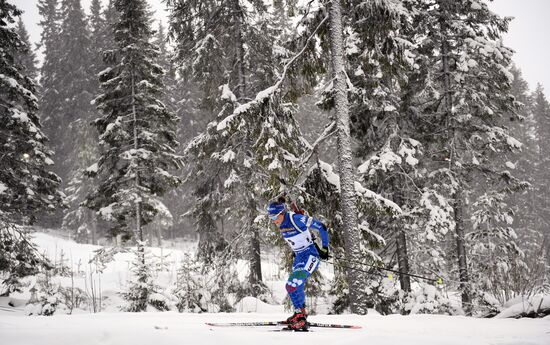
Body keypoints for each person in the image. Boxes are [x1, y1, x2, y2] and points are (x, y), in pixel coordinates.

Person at [267, 199, 330, 331]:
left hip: (310, 255)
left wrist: (325, 248)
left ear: (282, 212)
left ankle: (301, 317)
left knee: (291, 285)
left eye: (274, 217)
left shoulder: (296, 218)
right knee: (296, 286)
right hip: (300, 257)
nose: (273, 220)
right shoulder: (282, 223)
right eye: (270, 217)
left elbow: (321, 227)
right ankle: (299, 314)